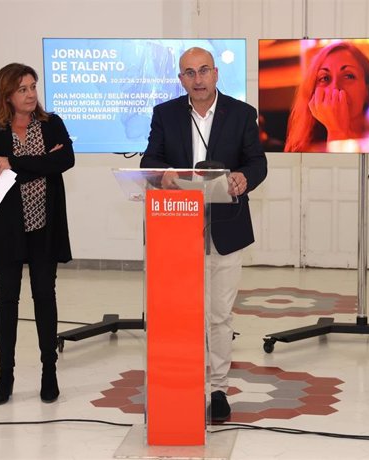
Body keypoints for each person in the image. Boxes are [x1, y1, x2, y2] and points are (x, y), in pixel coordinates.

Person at [140, 47, 267, 421]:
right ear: (181, 79)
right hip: (177, 226)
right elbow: (150, 159)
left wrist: (246, 177)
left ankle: (218, 388)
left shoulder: (241, 114)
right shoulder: (165, 114)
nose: (197, 79)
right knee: (184, 313)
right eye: (189, 73)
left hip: (227, 226)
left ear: (215, 74)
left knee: (219, 315)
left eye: (203, 71)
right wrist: (161, 173)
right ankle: (185, 382)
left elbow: (256, 162)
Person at [0, 63, 75, 405]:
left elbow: (64, 162)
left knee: (44, 296)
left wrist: (14, 163)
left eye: (33, 87)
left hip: (44, 226)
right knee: (6, 299)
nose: (31, 94)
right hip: (6, 227)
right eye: (23, 89)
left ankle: (50, 371)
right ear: (6, 94)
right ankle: (6, 375)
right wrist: (39, 162)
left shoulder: (52, 124)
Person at [284, 41, 369, 153]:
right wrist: (335, 131)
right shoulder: (300, 152)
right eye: (324, 78)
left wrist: (337, 132)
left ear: (368, 89)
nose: (335, 88)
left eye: (348, 76)